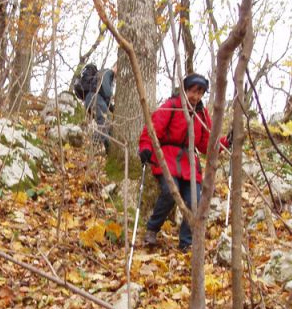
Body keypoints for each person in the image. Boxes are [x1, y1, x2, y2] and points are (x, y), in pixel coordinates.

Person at [138, 73, 231, 250]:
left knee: (195, 200)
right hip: (167, 157)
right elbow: (153, 127)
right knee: (170, 192)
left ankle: (186, 242)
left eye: (201, 92)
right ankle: (152, 229)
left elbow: (207, 144)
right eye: (193, 91)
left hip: (190, 164)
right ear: (185, 90)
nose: (196, 96)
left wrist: (227, 142)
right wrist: (145, 147)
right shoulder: (171, 106)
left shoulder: (202, 114)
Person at [84, 64, 116, 153]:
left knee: (104, 124)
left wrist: (113, 108)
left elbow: (105, 97)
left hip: (91, 99)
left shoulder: (107, 76)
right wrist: (112, 97)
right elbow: (106, 90)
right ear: (115, 66)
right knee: (105, 122)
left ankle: (95, 145)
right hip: (95, 98)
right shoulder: (108, 72)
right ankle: (106, 149)